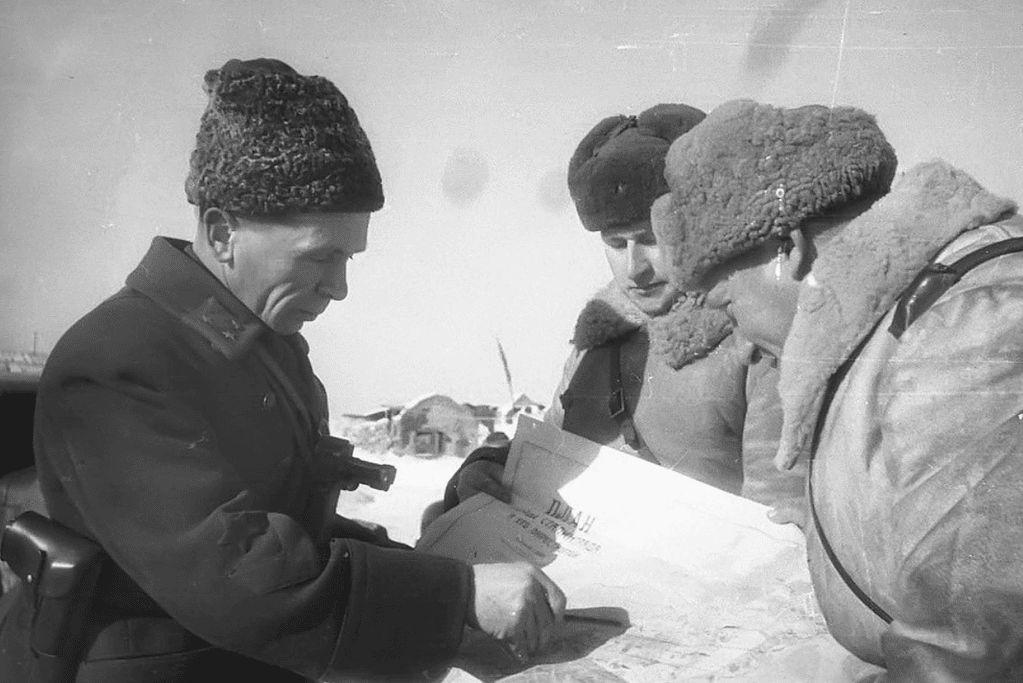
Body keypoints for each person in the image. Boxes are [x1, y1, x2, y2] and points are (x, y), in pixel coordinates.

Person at [0, 58, 564, 683]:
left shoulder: (267, 348)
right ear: (222, 233)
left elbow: (295, 531)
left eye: (348, 259)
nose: (339, 287)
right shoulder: (117, 363)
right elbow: (235, 576)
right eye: (319, 256)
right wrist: (456, 598)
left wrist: (451, 584)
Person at [652, 98, 1023, 681]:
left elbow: (976, 653)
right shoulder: (907, 321)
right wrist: (842, 532)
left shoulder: (971, 326)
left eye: (727, 301)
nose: (738, 335)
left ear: (790, 249)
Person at [439, 104, 798, 517]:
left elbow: (779, 523)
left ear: (700, 229)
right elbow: (548, 454)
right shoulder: (597, 343)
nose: (634, 268)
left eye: (650, 239)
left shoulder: (756, 345)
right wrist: (487, 469)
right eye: (614, 243)